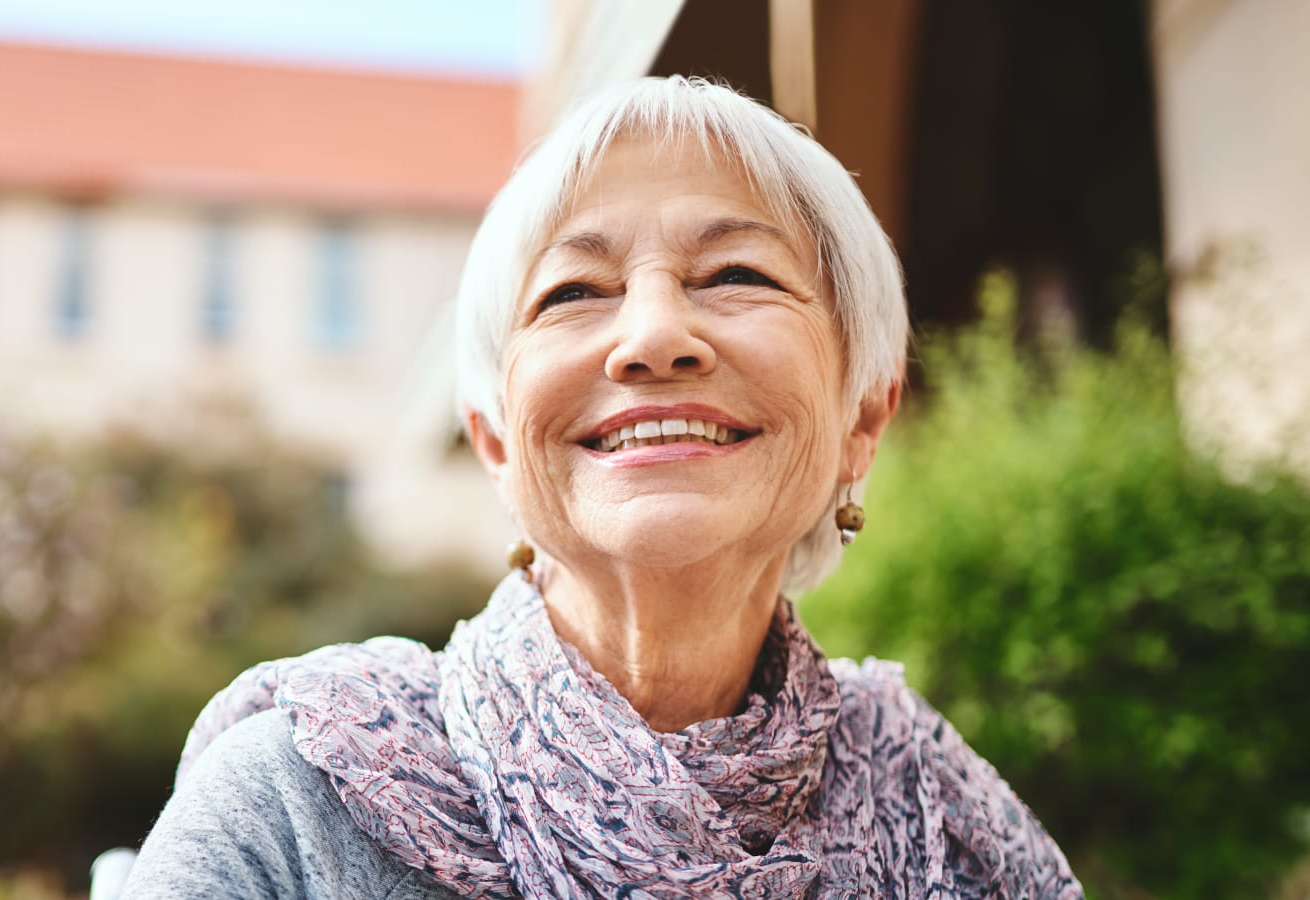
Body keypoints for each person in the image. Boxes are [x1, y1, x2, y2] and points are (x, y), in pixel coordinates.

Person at [119, 76, 1080, 899]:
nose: (654, 336)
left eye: (735, 272)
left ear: (863, 421)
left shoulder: (952, 826)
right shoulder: (294, 804)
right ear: (496, 442)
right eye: (574, 292)